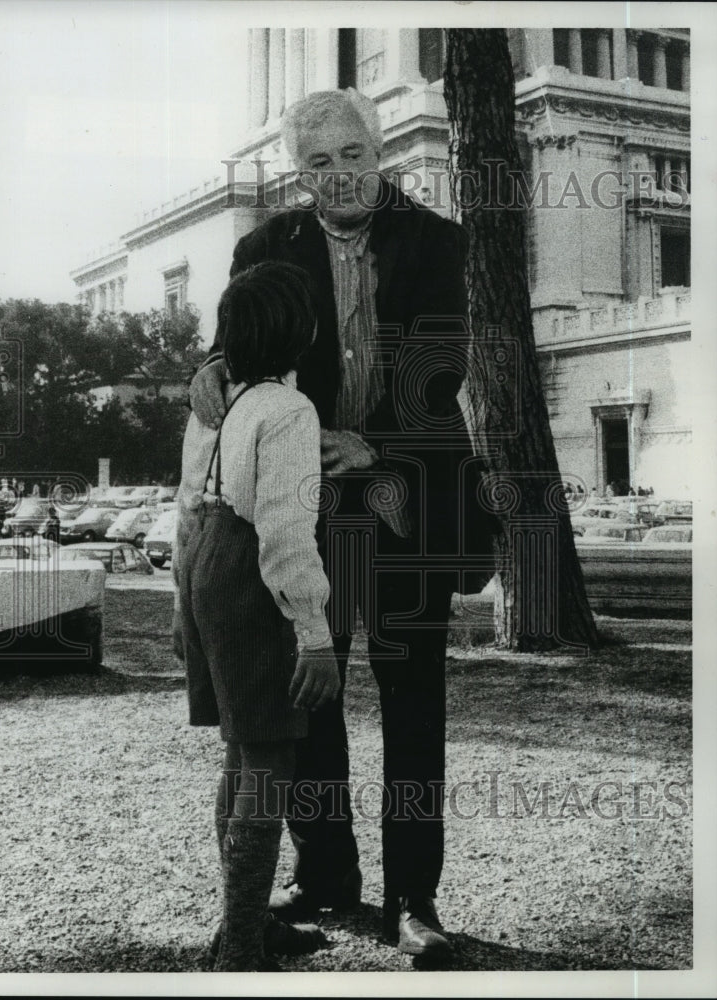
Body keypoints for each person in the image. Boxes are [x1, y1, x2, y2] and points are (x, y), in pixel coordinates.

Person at [189, 89, 494, 960]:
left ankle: (413, 898)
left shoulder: (439, 242)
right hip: (307, 511)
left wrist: (374, 445)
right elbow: (236, 348)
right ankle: (327, 877)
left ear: (380, 148)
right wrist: (208, 373)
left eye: (352, 155)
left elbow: (445, 367)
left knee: (414, 706)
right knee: (309, 704)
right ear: (299, 172)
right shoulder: (264, 246)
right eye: (318, 163)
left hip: (407, 499)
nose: (340, 176)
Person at [176, 261, 339, 972]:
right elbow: (283, 531)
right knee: (267, 762)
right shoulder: (288, 411)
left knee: (241, 755)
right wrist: (315, 635)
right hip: (249, 575)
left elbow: (186, 507)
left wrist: (185, 608)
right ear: (298, 330)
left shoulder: (213, 406)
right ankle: (242, 940)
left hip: (206, 564)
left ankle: (240, 923)